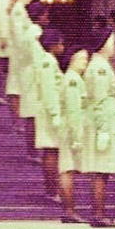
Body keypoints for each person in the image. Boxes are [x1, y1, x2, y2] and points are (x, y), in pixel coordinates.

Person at [82, 27, 115, 226]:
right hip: (103, 122)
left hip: (106, 121)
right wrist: (102, 129)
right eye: (112, 41)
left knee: (102, 170)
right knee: (100, 170)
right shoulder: (99, 67)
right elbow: (99, 100)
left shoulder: (102, 65)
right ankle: (98, 215)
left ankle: (99, 213)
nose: (114, 45)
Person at [9, 0, 41, 163]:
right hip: (22, 55)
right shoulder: (18, 10)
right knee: (16, 87)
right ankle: (17, 122)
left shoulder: (20, 9)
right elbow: (20, 36)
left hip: (24, 55)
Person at [58, 47, 91, 224]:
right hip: (71, 129)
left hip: (70, 127)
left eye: (86, 59)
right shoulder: (72, 80)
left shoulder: (74, 78)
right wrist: (77, 136)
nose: (85, 62)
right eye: (81, 59)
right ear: (71, 59)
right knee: (67, 169)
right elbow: (73, 110)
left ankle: (69, 210)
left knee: (68, 169)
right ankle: (69, 211)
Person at [35, 28, 65, 204]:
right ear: (52, 45)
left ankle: (52, 188)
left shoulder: (49, 60)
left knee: (52, 150)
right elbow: (49, 90)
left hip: (49, 109)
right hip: (50, 110)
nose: (62, 46)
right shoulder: (48, 62)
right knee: (51, 150)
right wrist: (55, 114)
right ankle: (52, 189)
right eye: (60, 43)